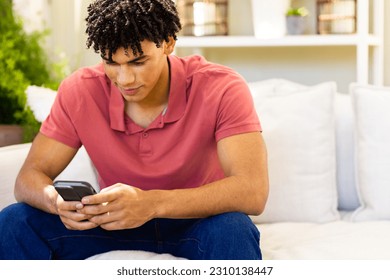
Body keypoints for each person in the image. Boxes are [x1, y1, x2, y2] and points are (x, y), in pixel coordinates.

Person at [0, 0, 268, 260]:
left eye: (138, 62)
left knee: (234, 229)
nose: (125, 79)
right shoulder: (80, 91)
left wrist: (151, 203)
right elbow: (28, 178)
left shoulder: (221, 87)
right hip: (111, 224)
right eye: (111, 63)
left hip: (196, 221)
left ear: (169, 43)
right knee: (14, 220)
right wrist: (55, 202)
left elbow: (252, 191)